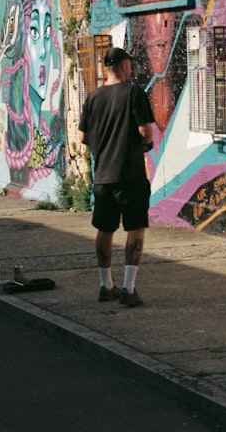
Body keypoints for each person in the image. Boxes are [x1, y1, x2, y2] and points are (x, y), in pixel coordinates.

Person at [78, 47, 155, 307]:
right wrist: (141, 142)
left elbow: (83, 137)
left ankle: (105, 285)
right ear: (124, 66)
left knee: (105, 228)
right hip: (130, 176)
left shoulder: (92, 98)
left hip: (102, 177)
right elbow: (146, 132)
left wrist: (104, 146)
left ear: (104, 68)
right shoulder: (134, 94)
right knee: (135, 230)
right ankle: (128, 289)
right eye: (130, 64)